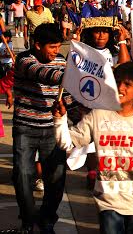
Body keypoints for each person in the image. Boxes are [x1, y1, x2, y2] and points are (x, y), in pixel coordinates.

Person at [53, 62, 133, 234]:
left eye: (127, 84)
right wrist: (59, 120)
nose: (120, 87)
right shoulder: (97, 115)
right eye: (117, 82)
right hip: (108, 202)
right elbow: (66, 143)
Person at [12, 23, 75, 233]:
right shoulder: (24, 60)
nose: (56, 51)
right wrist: (70, 77)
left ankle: (47, 220)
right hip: (25, 127)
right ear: (38, 45)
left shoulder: (61, 61)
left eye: (58, 47)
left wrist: (69, 105)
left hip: (52, 129)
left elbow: (67, 95)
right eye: (52, 47)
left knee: (56, 179)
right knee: (23, 176)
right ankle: (28, 220)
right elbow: (42, 73)